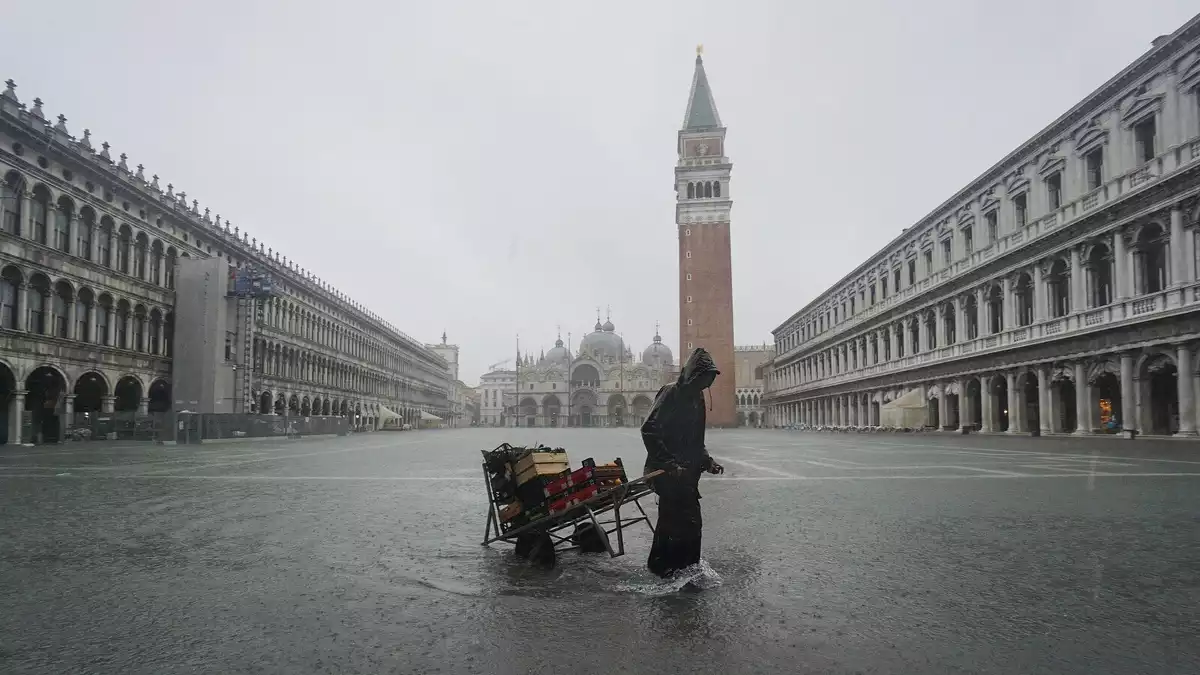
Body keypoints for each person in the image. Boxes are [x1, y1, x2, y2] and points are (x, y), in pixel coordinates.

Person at [640, 347, 725, 578]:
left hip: (686, 474)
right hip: (665, 471)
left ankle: (686, 566)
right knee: (672, 520)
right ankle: (663, 567)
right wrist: (668, 463)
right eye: (704, 379)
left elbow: (697, 440)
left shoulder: (697, 398)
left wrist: (708, 461)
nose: (707, 386)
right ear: (693, 375)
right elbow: (649, 429)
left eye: (709, 381)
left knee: (689, 521)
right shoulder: (670, 393)